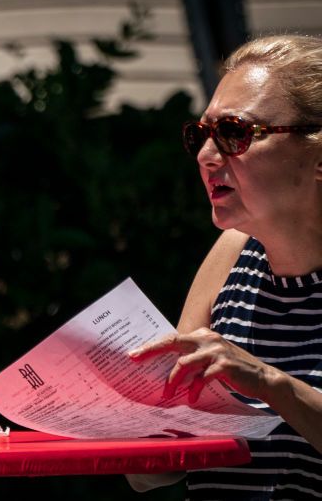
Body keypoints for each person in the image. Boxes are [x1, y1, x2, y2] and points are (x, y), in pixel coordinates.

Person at [128, 35, 322, 499]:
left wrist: (268, 381)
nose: (206, 157)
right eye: (200, 135)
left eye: (234, 133)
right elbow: (152, 474)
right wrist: (135, 428)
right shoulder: (232, 253)